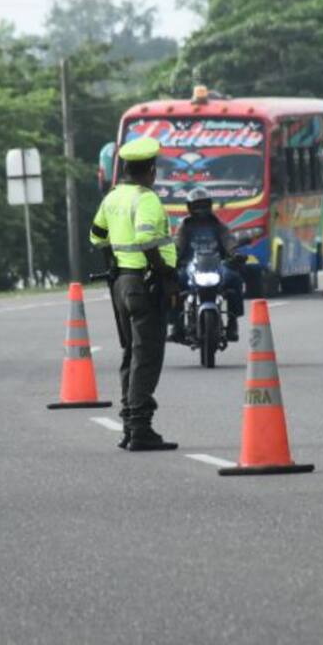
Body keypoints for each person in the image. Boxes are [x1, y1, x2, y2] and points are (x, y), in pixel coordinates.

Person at [89, 137, 179, 452]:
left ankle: (129, 424)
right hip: (145, 283)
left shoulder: (112, 198)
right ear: (151, 170)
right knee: (148, 355)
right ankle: (140, 427)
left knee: (131, 353)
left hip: (121, 284)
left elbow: (96, 236)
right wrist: (164, 274)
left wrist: (116, 260)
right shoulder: (147, 199)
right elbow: (146, 240)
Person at [171, 187, 246, 343]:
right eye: (196, 206)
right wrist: (173, 259)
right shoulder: (185, 226)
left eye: (203, 205)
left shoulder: (218, 225)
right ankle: (176, 325)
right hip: (191, 266)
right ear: (189, 207)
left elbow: (228, 240)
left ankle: (233, 323)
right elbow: (178, 244)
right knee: (173, 283)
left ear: (210, 205)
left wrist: (235, 254)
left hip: (217, 265)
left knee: (235, 279)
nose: (200, 210)